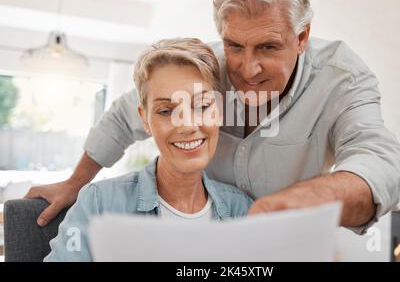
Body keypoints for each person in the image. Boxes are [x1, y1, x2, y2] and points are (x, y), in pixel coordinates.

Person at [27, 0, 400, 235]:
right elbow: (126, 116)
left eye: (269, 47)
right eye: (234, 45)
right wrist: (75, 182)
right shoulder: (206, 68)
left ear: (302, 37)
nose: (246, 67)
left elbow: (378, 162)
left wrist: (301, 202)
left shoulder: (341, 77)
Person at [44, 38, 253, 261]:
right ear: (145, 119)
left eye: (202, 106)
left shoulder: (241, 209)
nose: (188, 125)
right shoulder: (99, 203)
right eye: (165, 111)